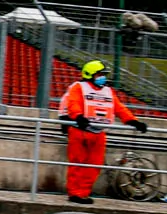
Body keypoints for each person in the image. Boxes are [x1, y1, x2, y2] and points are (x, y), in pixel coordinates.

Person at [57, 60, 148, 204]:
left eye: (103, 74)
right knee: (77, 163)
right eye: (99, 74)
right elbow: (73, 104)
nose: (102, 77)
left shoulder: (108, 91)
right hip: (80, 131)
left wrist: (133, 121)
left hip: (99, 133)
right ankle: (75, 193)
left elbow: (119, 108)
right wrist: (78, 117)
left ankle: (83, 193)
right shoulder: (78, 87)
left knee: (95, 165)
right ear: (90, 74)